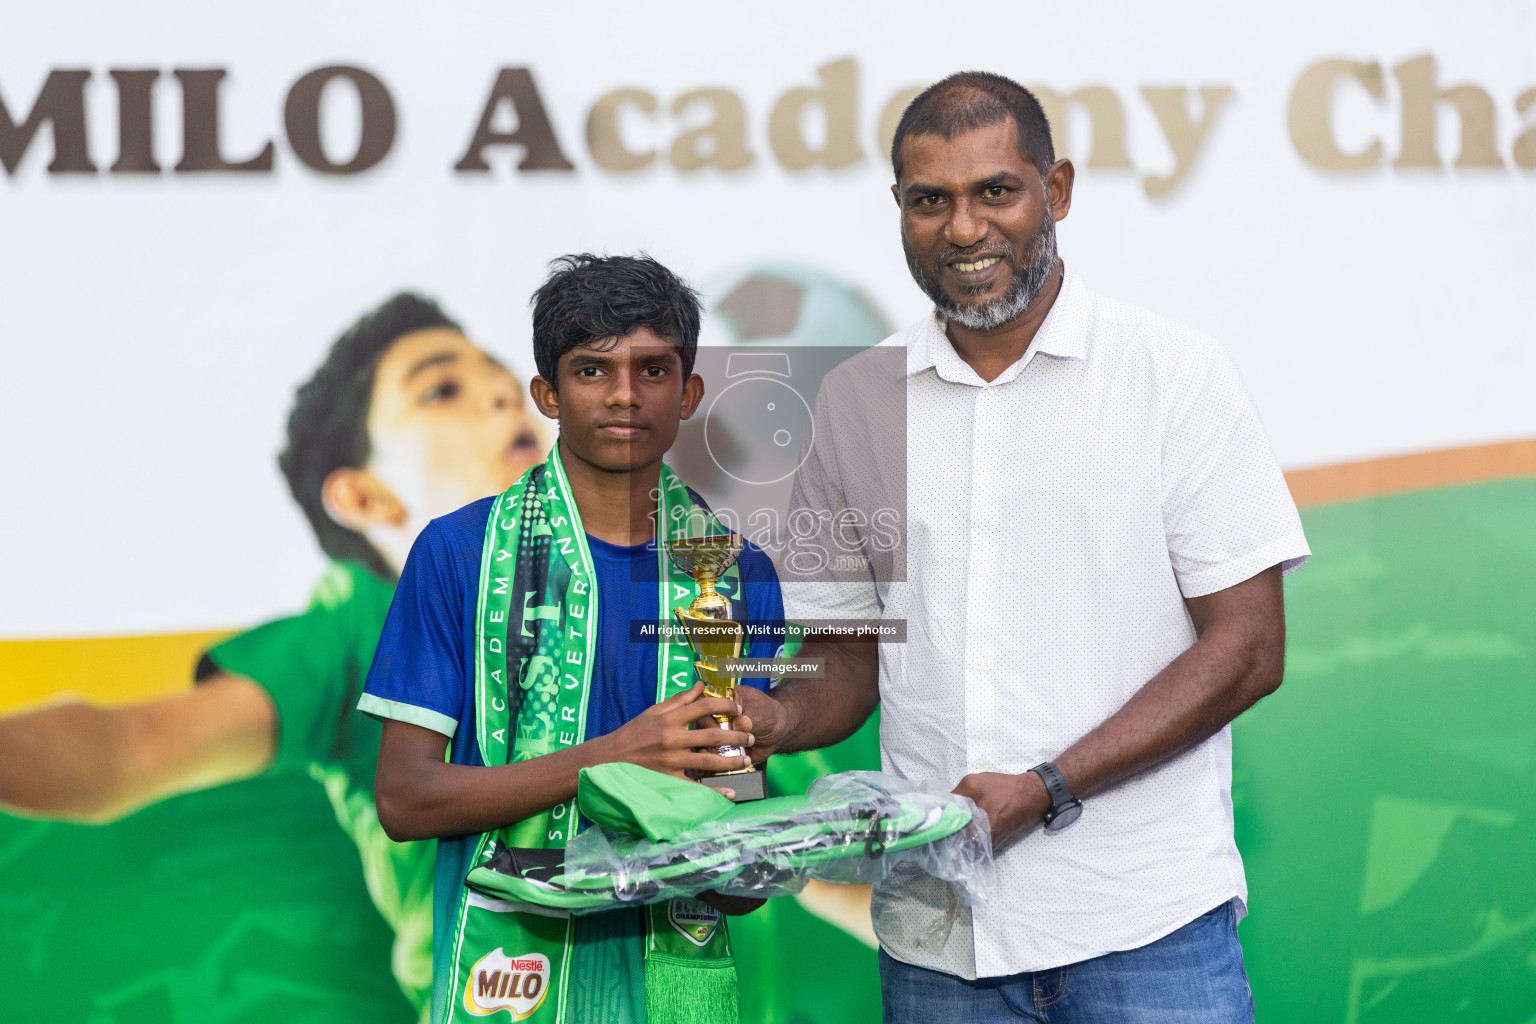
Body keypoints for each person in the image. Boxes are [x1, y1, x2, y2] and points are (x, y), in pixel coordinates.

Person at [736, 72, 1312, 1023]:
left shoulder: (1170, 375)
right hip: (938, 941)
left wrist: (1045, 791)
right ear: (900, 210)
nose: (964, 230)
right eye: (931, 201)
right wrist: (764, 719)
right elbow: (844, 662)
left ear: (1059, 190)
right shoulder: (855, 400)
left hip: (1144, 926)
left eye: (994, 191)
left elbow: (1248, 650)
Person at [0, 293, 548, 1017]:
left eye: (502, 376)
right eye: (442, 389)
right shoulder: (358, 633)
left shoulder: (665, 567)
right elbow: (127, 749)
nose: (504, 393)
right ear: (366, 496)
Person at [361, 254, 783, 1024]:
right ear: (546, 395)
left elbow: (740, 856)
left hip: (678, 994)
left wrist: (757, 845)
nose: (624, 395)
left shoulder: (735, 572)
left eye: (652, 370)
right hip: (507, 983)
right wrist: (614, 760)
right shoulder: (459, 554)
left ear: (688, 394)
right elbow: (404, 799)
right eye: (592, 371)